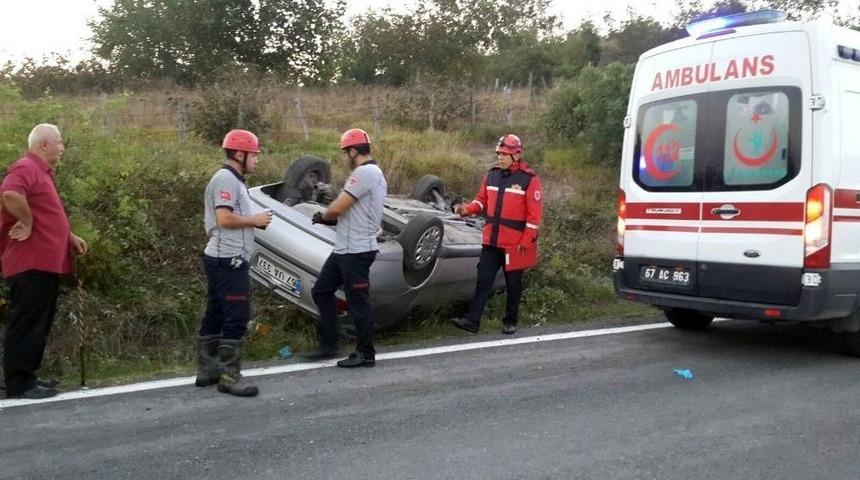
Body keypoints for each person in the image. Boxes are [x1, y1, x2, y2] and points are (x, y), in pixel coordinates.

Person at [0, 124, 88, 399]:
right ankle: (20, 383)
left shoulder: (42, 172)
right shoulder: (26, 167)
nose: (62, 147)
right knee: (28, 322)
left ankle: (28, 375)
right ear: (43, 145)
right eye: (59, 142)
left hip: (45, 261)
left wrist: (68, 235)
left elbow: (46, 212)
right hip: (30, 262)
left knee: (39, 321)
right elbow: (10, 194)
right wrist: (25, 222)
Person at [196, 129, 272, 397]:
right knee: (236, 316)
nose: (257, 160)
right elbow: (224, 219)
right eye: (255, 155)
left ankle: (208, 370)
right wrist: (255, 220)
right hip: (229, 259)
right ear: (240, 154)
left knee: (216, 311)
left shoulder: (232, 180)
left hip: (221, 258)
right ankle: (229, 376)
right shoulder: (226, 180)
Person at [305, 128, 387, 368]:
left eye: (345, 153)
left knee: (358, 302)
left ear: (353, 151)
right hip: (345, 248)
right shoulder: (375, 173)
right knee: (321, 291)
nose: (345, 158)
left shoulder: (364, 173)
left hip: (357, 250)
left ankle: (365, 353)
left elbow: (339, 207)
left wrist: (323, 216)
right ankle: (330, 344)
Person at [451, 133, 543, 335]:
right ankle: (472, 321)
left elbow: (534, 217)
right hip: (491, 241)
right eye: (498, 153)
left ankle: (510, 321)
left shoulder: (529, 180)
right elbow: (481, 201)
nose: (500, 157)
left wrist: (526, 240)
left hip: (516, 244)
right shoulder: (491, 175)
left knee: (513, 284)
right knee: (483, 279)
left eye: (504, 154)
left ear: (516, 156)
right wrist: (467, 209)